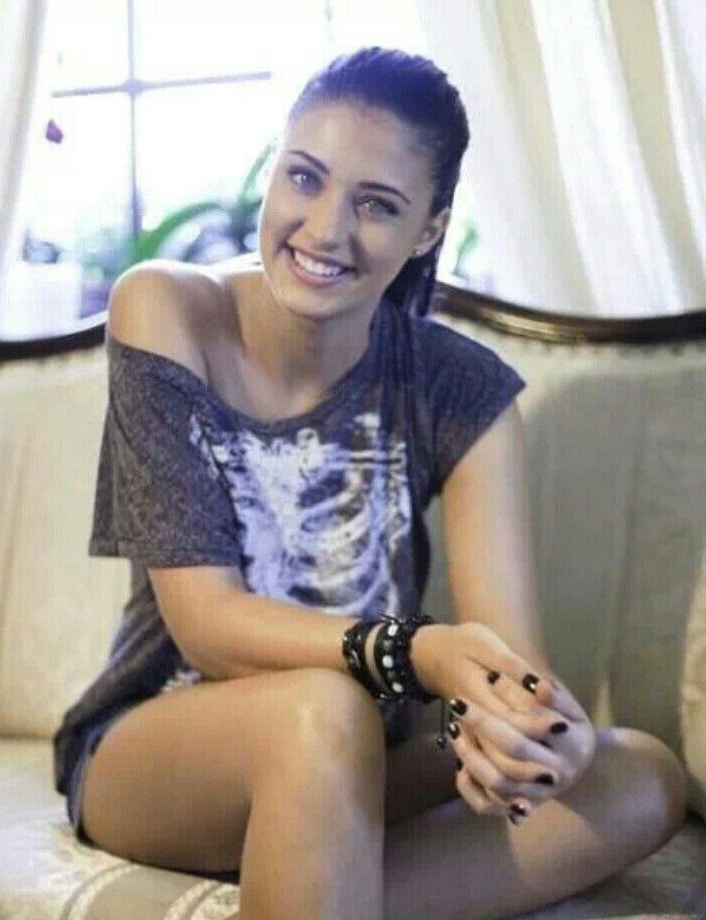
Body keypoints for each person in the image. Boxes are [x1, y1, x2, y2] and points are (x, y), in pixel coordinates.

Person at [52, 46, 686, 920]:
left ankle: (309, 877)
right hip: (159, 747)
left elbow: (511, 667)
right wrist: (419, 652)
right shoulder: (167, 309)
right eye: (304, 178)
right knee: (322, 711)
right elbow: (206, 625)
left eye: (377, 205)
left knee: (639, 776)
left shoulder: (461, 388)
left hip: (361, 763)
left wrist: (529, 734)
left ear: (427, 228)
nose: (324, 230)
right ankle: (318, 871)